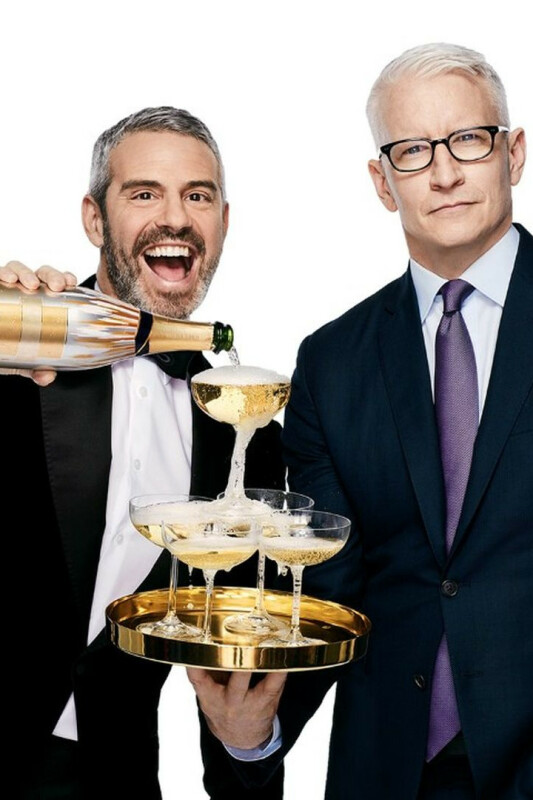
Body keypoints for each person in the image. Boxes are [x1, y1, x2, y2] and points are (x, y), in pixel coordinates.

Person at [189, 44, 533, 799]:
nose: (444, 173)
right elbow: (329, 584)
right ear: (383, 181)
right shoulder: (332, 361)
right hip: (387, 773)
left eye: (468, 140)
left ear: (512, 153)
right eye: (412, 151)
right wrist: (252, 737)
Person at [1, 107, 285, 799]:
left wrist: (249, 755)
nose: (175, 218)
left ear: (223, 222)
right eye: (144, 193)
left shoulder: (244, 429)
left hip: (119, 779)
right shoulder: (16, 346)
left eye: (198, 195)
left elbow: (229, 651)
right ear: (94, 220)